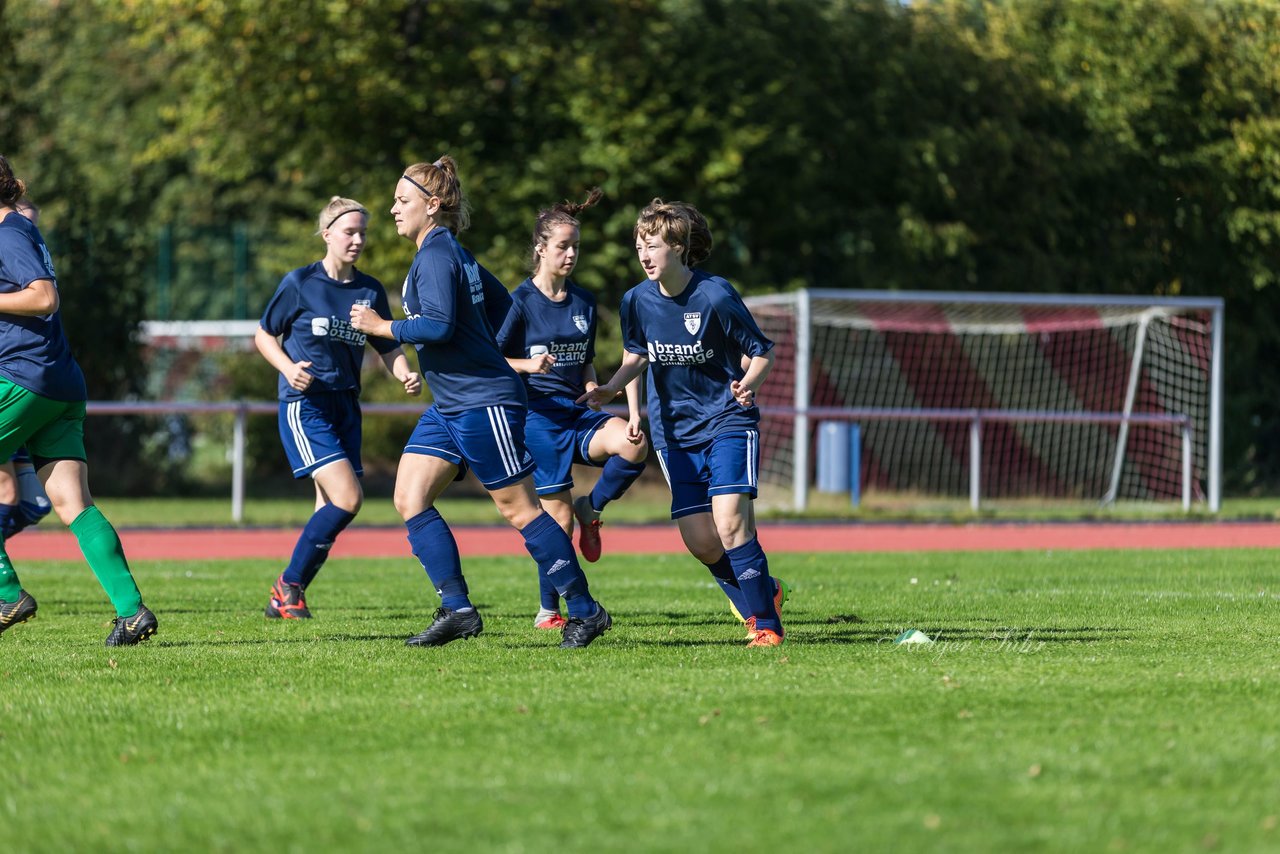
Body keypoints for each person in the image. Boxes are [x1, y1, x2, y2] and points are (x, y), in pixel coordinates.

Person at [349, 156, 612, 648]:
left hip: (482, 401)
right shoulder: (450, 252)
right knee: (409, 496)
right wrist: (485, 346)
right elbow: (504, 307)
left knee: (520, 510)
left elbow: (439, 326)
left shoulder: (436, 255)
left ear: (431, 206)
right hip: (451, 404)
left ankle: (585, 610)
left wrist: (382, 328)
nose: (392, 210)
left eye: (401, 201)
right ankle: (458, 610)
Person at [580, 199, 786, 647]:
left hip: (727, 422)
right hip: (676, 436)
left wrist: (748, 382)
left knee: (731, 524)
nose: (644, 255)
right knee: (702, 542)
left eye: (652, 246)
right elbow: (636, 355)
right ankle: (763, 590)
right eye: (639, 247)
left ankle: (766, 624)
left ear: (678, 246)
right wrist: (612, 389)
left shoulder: (715, 294)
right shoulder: (636, 300)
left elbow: (763, 351)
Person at [0, 154, 157, 645]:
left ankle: (6, 593)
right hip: (57, 383)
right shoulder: (18, 231)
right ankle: (132, 613)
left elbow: (43, 297)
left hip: (27, 378)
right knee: (73, 503)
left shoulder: (7, 233)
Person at [256, 196, 421, 619]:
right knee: (348, 499)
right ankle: (288, 585)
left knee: (326, 506)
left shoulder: (368, 291)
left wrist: (403, 371)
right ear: (327, 234)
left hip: (346, 404)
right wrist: (288, 368)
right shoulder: (300, 283)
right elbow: (264, 336)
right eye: (350, 231)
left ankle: (288, 598)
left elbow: (386, 343)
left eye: (363, 232)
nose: (358, 239)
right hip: (305, 404)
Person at [495, 189, 647, 630]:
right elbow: (491, 359)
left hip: (577, 410)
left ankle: (592, 507)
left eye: (576, 246)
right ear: (541, 249)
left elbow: (584, 360)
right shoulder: (519, 301)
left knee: (634, 444)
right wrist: (528, 364)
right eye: (563, 245)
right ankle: (549, 610)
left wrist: (593, 385)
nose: (571, 254)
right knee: (554, 519)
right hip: (537, 416)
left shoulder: (582, 302)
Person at [0, 196, 53, 540]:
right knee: (8, 491)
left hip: (18, 381)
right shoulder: (11, 239)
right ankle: (8, 589)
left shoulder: (18, 242)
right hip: (14, 379)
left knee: (36, 503)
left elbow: (45, 301)